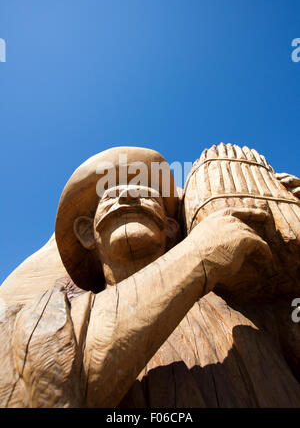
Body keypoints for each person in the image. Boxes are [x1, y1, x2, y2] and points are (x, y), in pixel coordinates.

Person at [0, 146, 298, 408]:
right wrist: (200, 254)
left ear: (170, 227)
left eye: (144, 192)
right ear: (87, 233)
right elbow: (39, 384)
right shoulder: (53, 312)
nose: (127, 195)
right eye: (111, 195)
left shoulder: (236, 307)